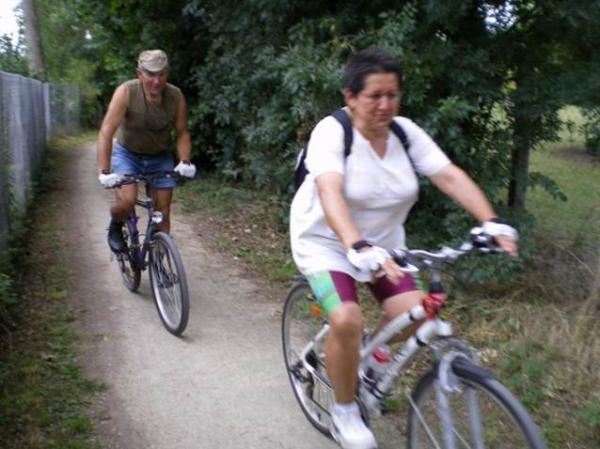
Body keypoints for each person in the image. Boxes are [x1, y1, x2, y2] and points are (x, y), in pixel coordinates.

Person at [289, 47, 518, 449]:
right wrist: (354, 244)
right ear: (350, 96)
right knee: (346, 319)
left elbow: (447, 175)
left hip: (384, 247)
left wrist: (491, 221)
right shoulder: (332, 132)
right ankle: (344, 411)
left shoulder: (405, 133)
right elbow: (329, 190)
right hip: (325, 240)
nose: (384, 105)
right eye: (374, 96)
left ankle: (370, 362)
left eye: (392, 95)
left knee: (419, 311)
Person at [96, 49, 196, 252]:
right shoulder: (127, 92)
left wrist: (185, 160)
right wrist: (104, 171)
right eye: (150, 74)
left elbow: (182, 131)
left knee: (163, 211)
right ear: (139, 73)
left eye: (161, 74)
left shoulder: (175, 96)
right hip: (128, 153)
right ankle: (115, 226)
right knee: (127, 201)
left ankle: (161, 263)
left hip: (159, 155)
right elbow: (106, 132)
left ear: (167, 74)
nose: (156, 81)